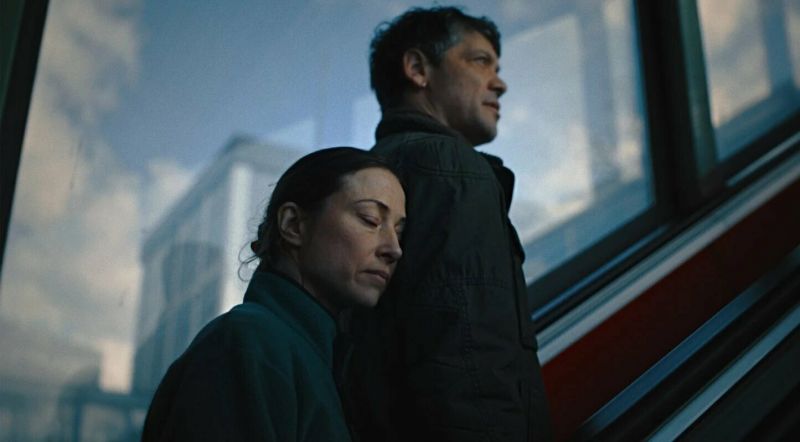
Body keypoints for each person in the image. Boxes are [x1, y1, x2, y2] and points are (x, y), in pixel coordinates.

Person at [346, 7, 553, 441]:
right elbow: (471, 359)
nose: (499, 83)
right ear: (418, 69)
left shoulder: (366, 175)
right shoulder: (451, 168)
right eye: (480, 61)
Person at [141, 147, 406, 441]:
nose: (394, 248)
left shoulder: (310, 356)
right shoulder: (248, 343)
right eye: (370, 219)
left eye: (399, 231)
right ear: (293, 225)